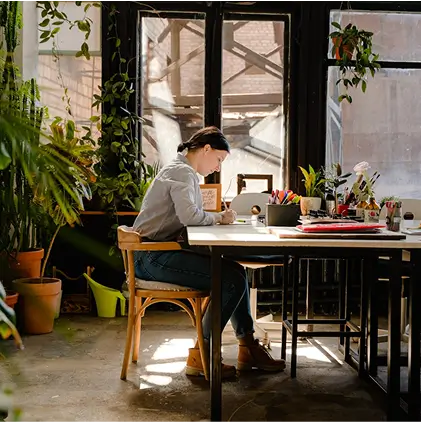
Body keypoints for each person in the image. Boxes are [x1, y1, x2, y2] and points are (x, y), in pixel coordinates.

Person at [133, 126, 285, 378]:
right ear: (206, 149)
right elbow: (189, 216)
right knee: (232, 278)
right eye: (219, 159)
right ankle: (203, 355)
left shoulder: (179, 169)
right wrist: (221, 219)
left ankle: (247, 347)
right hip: (152, 256)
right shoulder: (183, 172)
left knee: (235, 271)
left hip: (154, 252)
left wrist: (216, 219)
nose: (217, 167)